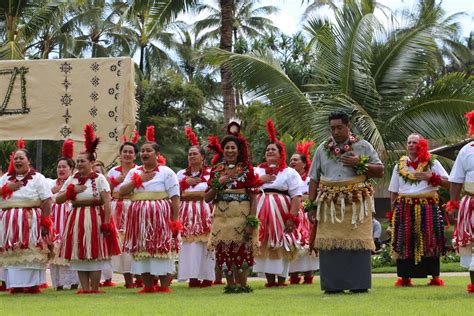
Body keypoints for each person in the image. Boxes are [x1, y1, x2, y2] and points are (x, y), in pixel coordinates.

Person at [307, 111, 384, 294]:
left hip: (356, 203)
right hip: (329, 204)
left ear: (348, 126)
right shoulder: (322, 149)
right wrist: (311, 205)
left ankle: (359, 284)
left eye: (340, 127)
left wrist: (360, 163)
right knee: (331, 243)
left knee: (357, 243)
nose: (336, 131)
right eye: (332, 128)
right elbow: (314, 179)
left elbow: (379, 170)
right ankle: (333, 285)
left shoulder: (363, 146)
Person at [57, 124, 121, 294]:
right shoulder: (72, 179)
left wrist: (107, 223)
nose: (79, 164)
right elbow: (57, 199)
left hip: (95, 218)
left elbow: (107, 201)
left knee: (95, 253)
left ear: (92, 163)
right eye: (77, 161)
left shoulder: (99, 179)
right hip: (76, 218)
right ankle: (84, 289)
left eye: (82, 161)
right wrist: (71, 191)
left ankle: (94, 289)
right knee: (80, 253)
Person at [120, 126, 181, 294]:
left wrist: (175, 221)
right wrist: (138, 180)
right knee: (142, 250)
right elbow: (119, 192)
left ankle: (164, 286)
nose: (144, 153)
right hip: (139, 219)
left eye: (149, 151)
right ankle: (147, 286)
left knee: (160, 249)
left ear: (157, 154)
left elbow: (175, 197)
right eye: (143, 151)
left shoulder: (166, 172)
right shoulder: (134, 172)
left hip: (160, 218)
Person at [205, 121, 260, 293]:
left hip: (241, 215)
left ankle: (243, 286)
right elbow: (207, 197)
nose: (230, 151)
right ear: (223, 150)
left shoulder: (247, 169)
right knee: (224, 250)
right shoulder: (216, 170)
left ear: (238, 150)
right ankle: (230, 286)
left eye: (233, 148)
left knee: (241, 251)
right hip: (221, 217)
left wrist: (252, 220)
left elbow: (253, 196)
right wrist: (219, 184)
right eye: (227, 148)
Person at [388, 134, 449, 286]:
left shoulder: (432, 163)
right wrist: (393, 212)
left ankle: (434, 277)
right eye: (409, 142)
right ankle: (405, 278)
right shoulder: (399, 165)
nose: (411, 145)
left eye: (414, 142)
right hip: (404, 207)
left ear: (421, 145)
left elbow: (448, 183)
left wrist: (431, 177)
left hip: (427, 207)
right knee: (404, 240)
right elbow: (393, 191)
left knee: (430, 239)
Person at [253, 119, 303, 287]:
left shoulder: (289, 172)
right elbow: (247, 188)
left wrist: (292, 216)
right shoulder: (257, 170)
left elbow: (296, 196)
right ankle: (270, 280)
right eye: (267, 150)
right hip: (260, 211)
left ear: (281, 153)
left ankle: (282, 279)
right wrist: (261, 180)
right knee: (266, 242)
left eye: (273, 149)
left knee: (282, 242)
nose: (269, 152)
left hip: (281, 212)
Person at [0, 140, 53, 294]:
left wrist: (45, 221)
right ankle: (15, 286)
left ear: (28, 161)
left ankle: (32, 286)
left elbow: (47, 200)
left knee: (31, 251)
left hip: (31, 222)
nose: (17, 161)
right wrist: (5, 188)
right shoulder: (5, 179)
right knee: (13, 252)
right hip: (9, 224)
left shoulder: (38, 178)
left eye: (21, 158)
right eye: (15, 158)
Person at [177, 127, 215, 287]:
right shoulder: (180, 175)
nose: (191, 156)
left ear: (203, 157)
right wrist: (184, 183)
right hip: (186, 213)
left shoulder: (211, 174)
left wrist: (190, 194)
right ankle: (192, 277)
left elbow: (213, 192)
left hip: (205, 212)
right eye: (190, 154)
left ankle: (206, 277)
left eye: (195, 154)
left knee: (205, 245)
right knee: (189, 246)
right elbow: (174, 194)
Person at [108, 133, 143, 288]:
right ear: (120, 155)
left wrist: (124, 190)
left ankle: (141, 277)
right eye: (125, 152)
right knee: (122, 245)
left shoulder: (139, 171)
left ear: (135, 156)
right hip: (117, 209)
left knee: (137, 240)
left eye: (131, 152)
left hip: (134, 207)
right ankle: (128, 281)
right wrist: (118, 182)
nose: (127, 154)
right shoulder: (112, 172)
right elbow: (107, 192)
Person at [47, 139, 79, 290]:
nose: (61, 169)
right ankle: (58, 284)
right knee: (56, 250)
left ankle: (73, 283)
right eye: (59, 167)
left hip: (70, 220)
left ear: (72, 168)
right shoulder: (50, 184)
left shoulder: (76, 182)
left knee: (71, 249)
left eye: (64, 167)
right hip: (55, 223)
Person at [447, 110, 474, 294]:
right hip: (471, 204)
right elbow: (456, 180)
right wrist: (454, 204)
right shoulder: (466, 150)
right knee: (471, 244)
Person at [288, 141, 320, 285]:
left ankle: (308, 276)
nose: (292, 162)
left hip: (307, 217)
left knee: (308, 245)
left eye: (295, 160)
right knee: (294, 244)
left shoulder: (309, 181)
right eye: (290, 160)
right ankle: (293, 276)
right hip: (294, 216)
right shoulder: (287, 179)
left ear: (304, 164)